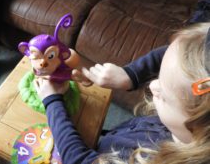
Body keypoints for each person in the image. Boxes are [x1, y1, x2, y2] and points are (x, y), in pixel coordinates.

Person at [34, 22, 210, 164]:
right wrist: (131, 75)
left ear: (198, 127)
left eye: (163, 95)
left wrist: (52, 101)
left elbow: (77, 159)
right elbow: (180, 53)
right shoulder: (185, 128)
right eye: (159, 77)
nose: (151, 86)